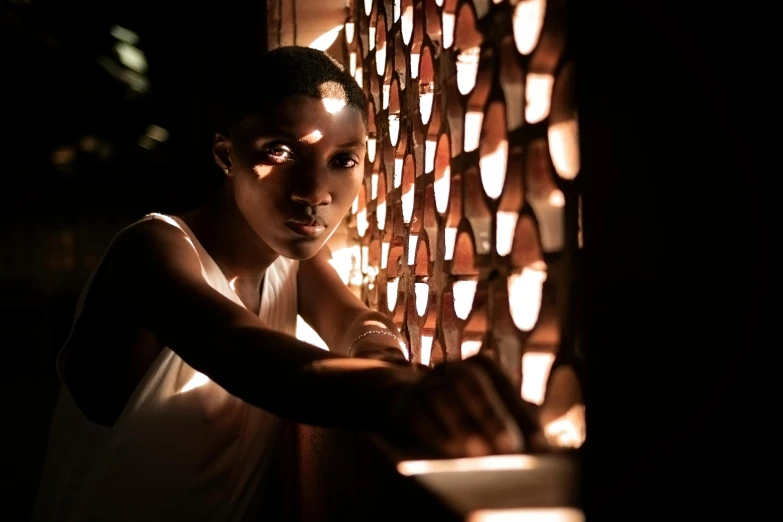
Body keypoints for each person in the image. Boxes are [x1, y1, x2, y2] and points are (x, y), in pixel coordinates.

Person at [32, 46, 538, 522]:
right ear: (226, 155)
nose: (314, 193)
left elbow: (354, 320)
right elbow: (238, 349)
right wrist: (395, 395)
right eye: (280, 151)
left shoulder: (288, 261)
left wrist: (391, 364)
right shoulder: (151, 250)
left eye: (343, 160)